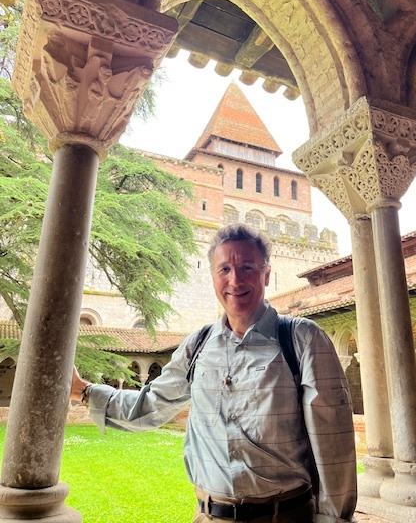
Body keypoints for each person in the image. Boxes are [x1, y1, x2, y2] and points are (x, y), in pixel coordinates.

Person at [71, 223, 357, 522]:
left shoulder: (302, 339)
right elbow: (149, 406)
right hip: (208, 516)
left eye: (247, 267)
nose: (235, 280)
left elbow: (333, 444)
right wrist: (82, 390)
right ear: (212, 277)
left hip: (283, 516)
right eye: (224, 270)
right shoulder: (197, 345)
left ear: (267, 274)